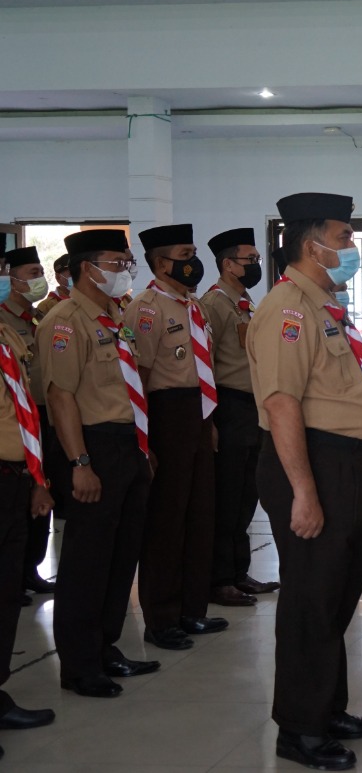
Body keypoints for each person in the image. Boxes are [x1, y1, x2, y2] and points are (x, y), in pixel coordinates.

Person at [248, 192, 362, 771]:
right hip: (317, 465)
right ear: (313, 245)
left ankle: (328, 709)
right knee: (311, 599)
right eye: (344, 236)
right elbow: (281, 404)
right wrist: (304, 493)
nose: (352, 247)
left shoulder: (325, 307)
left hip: (349, 466)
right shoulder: (287, 310)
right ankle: (300, 729)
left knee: (335, 596)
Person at [39, 229, 160, 698]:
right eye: (116, 261)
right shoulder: (65, 322)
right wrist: (80, 462)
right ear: (87, 269)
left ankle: (106, 646)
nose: (125, 269)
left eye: (127, 262)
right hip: (92, 446)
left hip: (127, 445)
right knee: (87, 561)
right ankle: (79, 664)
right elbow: (60, 397)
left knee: (121, 553)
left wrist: (143, 446)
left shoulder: (114, 317)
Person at [125, 224, 227, 651]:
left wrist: (209, 420)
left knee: (200, 515)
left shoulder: (192, 305)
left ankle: (191, 609)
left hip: (197, 413)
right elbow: (139, 378)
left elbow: (203, 366)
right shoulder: (146, 309)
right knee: (166, 520)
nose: (193, 262)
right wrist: (144, 439)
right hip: (165, 414)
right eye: (185, 255)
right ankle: (161, 617)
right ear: (161, 263)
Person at [201, 227, 280, 608]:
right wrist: (211, 419)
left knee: (248, 495)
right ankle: (218, 579)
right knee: (227, 497)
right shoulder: (214, 304)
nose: (256, 266)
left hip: (251, 407)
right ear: (228, 265)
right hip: (228, 405)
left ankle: (238, 572)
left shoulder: (244, 302)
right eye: (250, 260)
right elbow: (205, 363)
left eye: (257, 259)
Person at [0, 258, 57, 744]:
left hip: (15, 476)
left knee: (4, 596)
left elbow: (24, 409)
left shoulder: (7, 334)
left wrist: (38, 479)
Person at [0, 247, 59, 596]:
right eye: (32, 273)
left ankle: (31, 568)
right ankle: (15, 572)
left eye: (40, 272)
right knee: (17, 501)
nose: (39, 279)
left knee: (42, 492)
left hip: (43, 416)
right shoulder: (4, 320)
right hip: (16, 422)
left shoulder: (39, 317)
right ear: (12, 280)